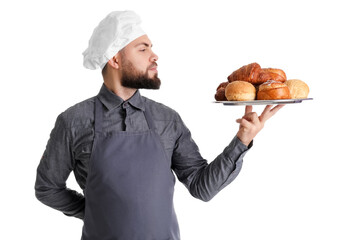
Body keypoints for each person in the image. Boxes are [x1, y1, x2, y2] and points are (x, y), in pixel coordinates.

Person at [35, 10, 284, 240]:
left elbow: (202, 187)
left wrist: (242, 140)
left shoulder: (167, 119)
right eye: (142, 49)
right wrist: (93, 213)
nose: (155, 56)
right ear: (114, 58)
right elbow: (47, 188)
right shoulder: (73, 121)